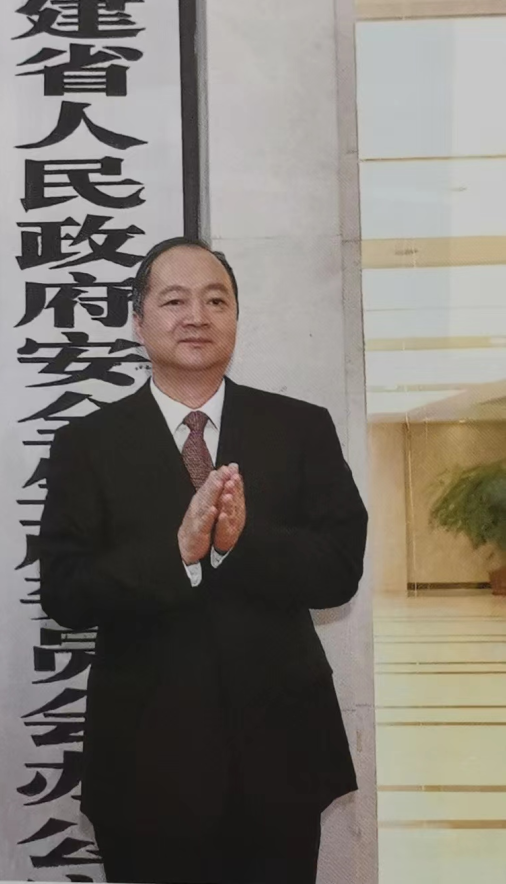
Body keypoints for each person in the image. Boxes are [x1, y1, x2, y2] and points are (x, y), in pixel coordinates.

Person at [38, 237, 367, 884]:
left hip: (280, 753)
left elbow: (338, 569)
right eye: (174, 301)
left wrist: (243, 543)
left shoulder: (300, 427)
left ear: (236, 319)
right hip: (145, 761)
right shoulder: (86, 444)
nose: (197, 316)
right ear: (139, 321)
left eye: (216, 301)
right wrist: (177, 553)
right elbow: (66, 592)